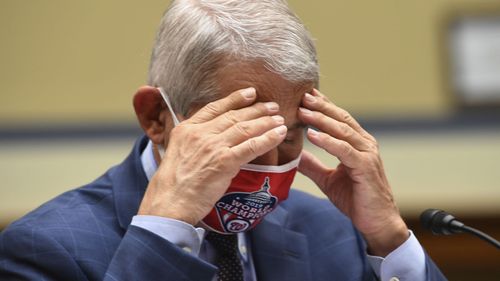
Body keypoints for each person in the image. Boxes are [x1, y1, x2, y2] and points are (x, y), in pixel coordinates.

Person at [0, 1, 446, 280]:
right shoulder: (43, 250)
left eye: (291, 137)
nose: (268, 163)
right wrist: (164, 231)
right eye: (241, 132)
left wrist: (387, 237)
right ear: (156, 117)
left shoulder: (333, 234)